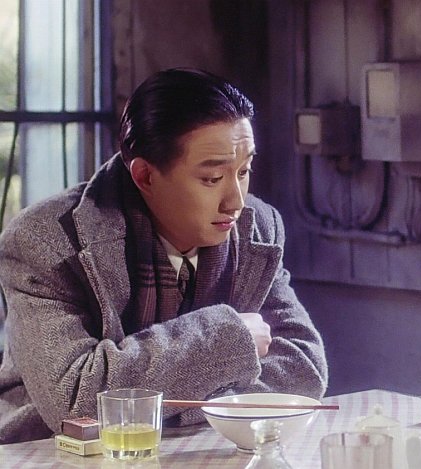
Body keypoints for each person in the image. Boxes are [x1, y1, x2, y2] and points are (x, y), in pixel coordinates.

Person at [0, 68, 328, 443]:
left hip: (197, 450)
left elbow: (304, 371)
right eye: (212, 179)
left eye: (244, 171)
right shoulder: (45, 240)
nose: (235, 202)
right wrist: (228, 339)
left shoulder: (258, 227)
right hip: (54, 454)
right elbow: (75, 402)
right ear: (145, 176)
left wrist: (154, 403)